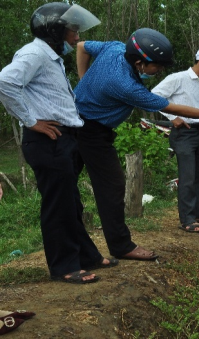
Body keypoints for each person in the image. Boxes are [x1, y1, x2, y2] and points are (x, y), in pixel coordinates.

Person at [73, 28, 199, 260]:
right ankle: (121, 246)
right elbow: (168, 107)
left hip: (76, 121)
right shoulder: (125, 85)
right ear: (140, 62)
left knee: (69, 189)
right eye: (158, 66)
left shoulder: (114, 48)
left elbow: (82, 46)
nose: (161, 70)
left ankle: (81, 250)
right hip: (90, 131)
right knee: (112, 188)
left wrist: (83, 81)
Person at [0, 3, 112, 283]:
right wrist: (30, 120)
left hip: (62, 138)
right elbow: (5, 82)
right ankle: (64, 266)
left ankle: (86, 255)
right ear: (54, 31)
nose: (76, 38)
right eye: (72, 31)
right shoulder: (34, 53)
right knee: (58, 205)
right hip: (46, 139)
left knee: (71, 203)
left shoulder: (48, 56)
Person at [152, 47, 199, 233]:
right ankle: (186, 218)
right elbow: (153, 96)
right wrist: (173, 118)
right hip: (184, 132)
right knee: (188, 177)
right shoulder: (178, 79)